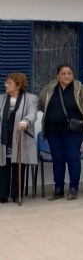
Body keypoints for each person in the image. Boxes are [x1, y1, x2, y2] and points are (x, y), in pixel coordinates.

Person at [39, 64, 83, 200]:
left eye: (69, 73)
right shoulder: (49, 89)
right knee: (58, 159)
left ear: (73, 75)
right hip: (53, 131)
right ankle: (58, 188)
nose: (66, 76)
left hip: (74, 131)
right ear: (57, 76)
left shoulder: (81, 89)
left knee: (72, 157)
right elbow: (41, 104)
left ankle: (73, 187)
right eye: (63, 74)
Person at [0, 73, 38, 203]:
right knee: (3, 165)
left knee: (18, 165)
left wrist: (25, 121)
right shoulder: (1, 98)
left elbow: (32, 114)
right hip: (4, 137)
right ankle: (2, 195)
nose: (6, 85)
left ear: (18, 85)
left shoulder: (31, 98)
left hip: (20, 136)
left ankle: (17, 194)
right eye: (6, 83)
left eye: (9, 83)